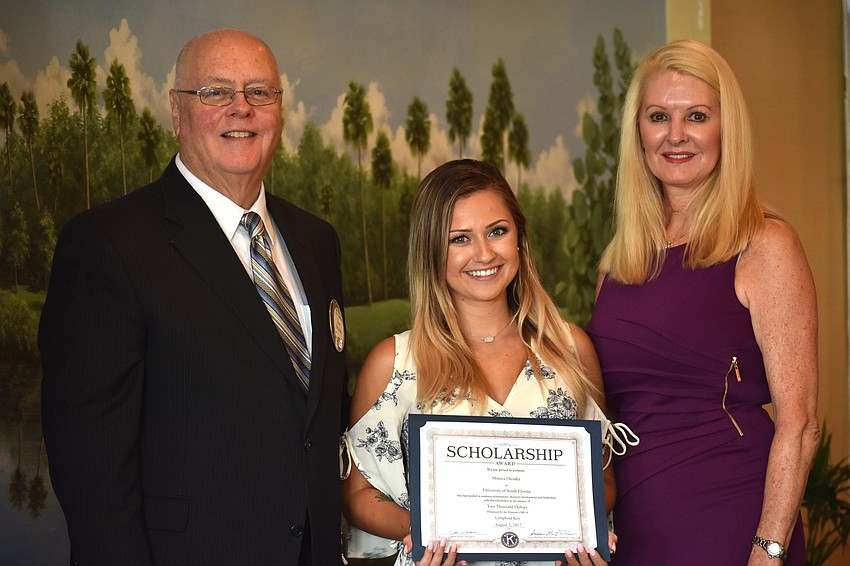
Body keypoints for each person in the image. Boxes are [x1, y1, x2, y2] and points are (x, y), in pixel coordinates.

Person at [39, 29, 348, 566]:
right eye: (214, 92)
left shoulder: (317, 241)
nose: (240, 108)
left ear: (278, 110)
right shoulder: (108, 245)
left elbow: (319, 421)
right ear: (177, 112)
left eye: (259, 92)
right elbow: (91, 470)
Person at [586, 39, 819, 565]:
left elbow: (801, 423)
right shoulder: (618, 263)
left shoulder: (765, 244)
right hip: (634, 526)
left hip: (732, 520)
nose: (676, 135)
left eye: (696, 116)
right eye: (658, 117)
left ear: (725, 128)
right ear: (638, 132)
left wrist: (768, 550)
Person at [342, 159, 629, 566]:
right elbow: (358, 493)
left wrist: (583, 530)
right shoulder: (393, 363)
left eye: (497, 231)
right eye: (460, 238)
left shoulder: (571, 349)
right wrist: (427, 533)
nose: (484, 253)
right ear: (430, 250)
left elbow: (602, 477)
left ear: (519, 238)